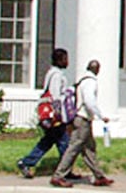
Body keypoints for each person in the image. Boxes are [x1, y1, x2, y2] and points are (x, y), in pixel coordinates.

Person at [50, 59, 114, 188]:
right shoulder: (90, 82)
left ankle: (99, 176)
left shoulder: (81, 80)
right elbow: (89, 101)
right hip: (82, 119)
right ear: (96, 69)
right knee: (74, 147)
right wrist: (100, 116)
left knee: (89, 148)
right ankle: (58, 176)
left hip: (83, 119)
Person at [17, 48, 78, 179]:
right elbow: (55, 95)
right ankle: (64, 171)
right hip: (54, 116)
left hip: (51, 116)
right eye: (65, 59)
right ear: (59, 60)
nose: (67, 62)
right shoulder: (56, 75)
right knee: (64, 144)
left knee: (47, 142)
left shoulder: (52, 73)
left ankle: (26, 162)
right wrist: (59, 114)